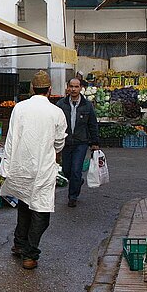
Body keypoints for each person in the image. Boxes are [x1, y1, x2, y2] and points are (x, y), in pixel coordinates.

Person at [0, 70, 67, 270]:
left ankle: (19, 245)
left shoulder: (20, 108)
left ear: (31, 89)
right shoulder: (56, 112)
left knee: (24, 206)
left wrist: (6, 167)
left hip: (21, 166)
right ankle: (30, 253)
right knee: (41, 212)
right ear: (49, 90)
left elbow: (11, 138)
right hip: (43, 169)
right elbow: (59, 142)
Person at [56, 78, 100, 208]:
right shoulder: (61, 104)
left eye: (76, 87)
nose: (74, 89)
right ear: (67, 88)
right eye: (71, 86)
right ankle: (77, 182)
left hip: (81, 142)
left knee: (76, 169)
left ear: (81, 88)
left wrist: (94, 142)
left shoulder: (87, 105)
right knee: (66, 170)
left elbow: (92, 124)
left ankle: (72, 197)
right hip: (66, 141)